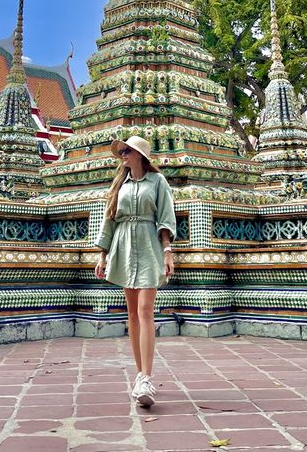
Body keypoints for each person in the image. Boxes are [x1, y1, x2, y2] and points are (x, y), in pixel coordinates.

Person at [94, 135, 176, 408]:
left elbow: (165, 218)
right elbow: (110, 219)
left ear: (140, 155)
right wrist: (102, 256)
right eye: (122, 152)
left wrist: (167, 251)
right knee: (131, 313)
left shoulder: (158, 182)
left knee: (145, 310)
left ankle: (147, 377)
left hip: (149, 245)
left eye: (127, 151)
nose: (123, 155)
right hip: (123, 245)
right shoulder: (120, 184)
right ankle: (140, 375)